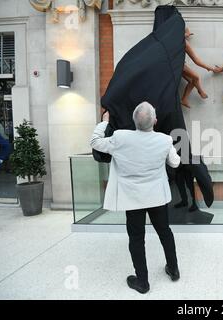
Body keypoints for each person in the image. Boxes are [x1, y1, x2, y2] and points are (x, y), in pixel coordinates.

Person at [90, 101, 181, 294]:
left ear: (134, 120)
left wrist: (104, 121)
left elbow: (96, 142)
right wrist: (169, 151)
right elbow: (175, 163)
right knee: (165, 232)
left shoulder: (120, 137)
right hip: (157, 197)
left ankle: (142, 282)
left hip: (132, 199)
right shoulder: (164, 140)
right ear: (155, 120)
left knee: (136, 238)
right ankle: (173, 269)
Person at [181, 27, 214, 108]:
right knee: (196, 77)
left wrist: (186, 33)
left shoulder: (173, 39)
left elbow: (185, 29)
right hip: (179, 66)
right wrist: (208, 67)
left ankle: (184, 99)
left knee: (193, 81)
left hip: (175, 65)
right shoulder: (184, 43)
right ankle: (200, 91)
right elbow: (196, 60)